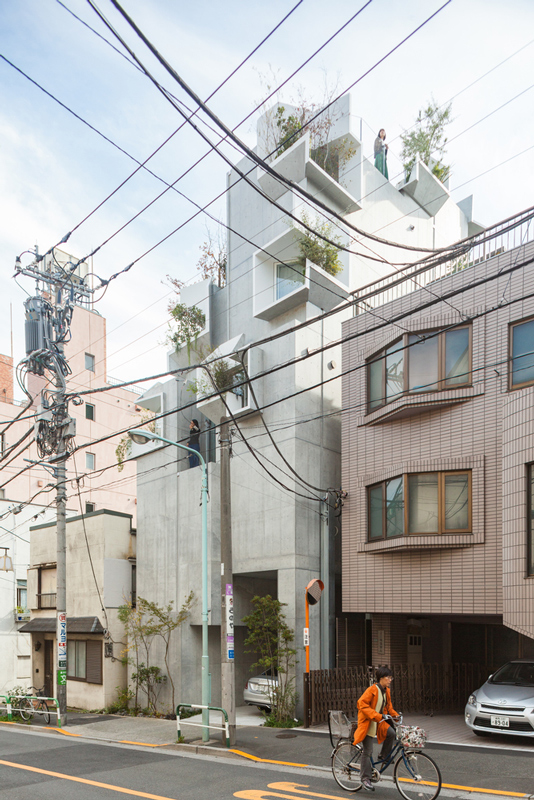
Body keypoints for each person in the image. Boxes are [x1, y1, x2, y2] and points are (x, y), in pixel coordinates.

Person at [353, 666, 400, 792]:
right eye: (388, 677)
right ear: (381, 678)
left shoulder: (387, 691)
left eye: (391, 677)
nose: (390, 680)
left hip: (379, 721)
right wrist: (377, 716)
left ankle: (383, 756)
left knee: (391, 733)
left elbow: (388, 707)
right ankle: (365, 778)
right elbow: (361, 703)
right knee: (367, 751)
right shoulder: (372, 690)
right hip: (368, 722)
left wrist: (396, 715)